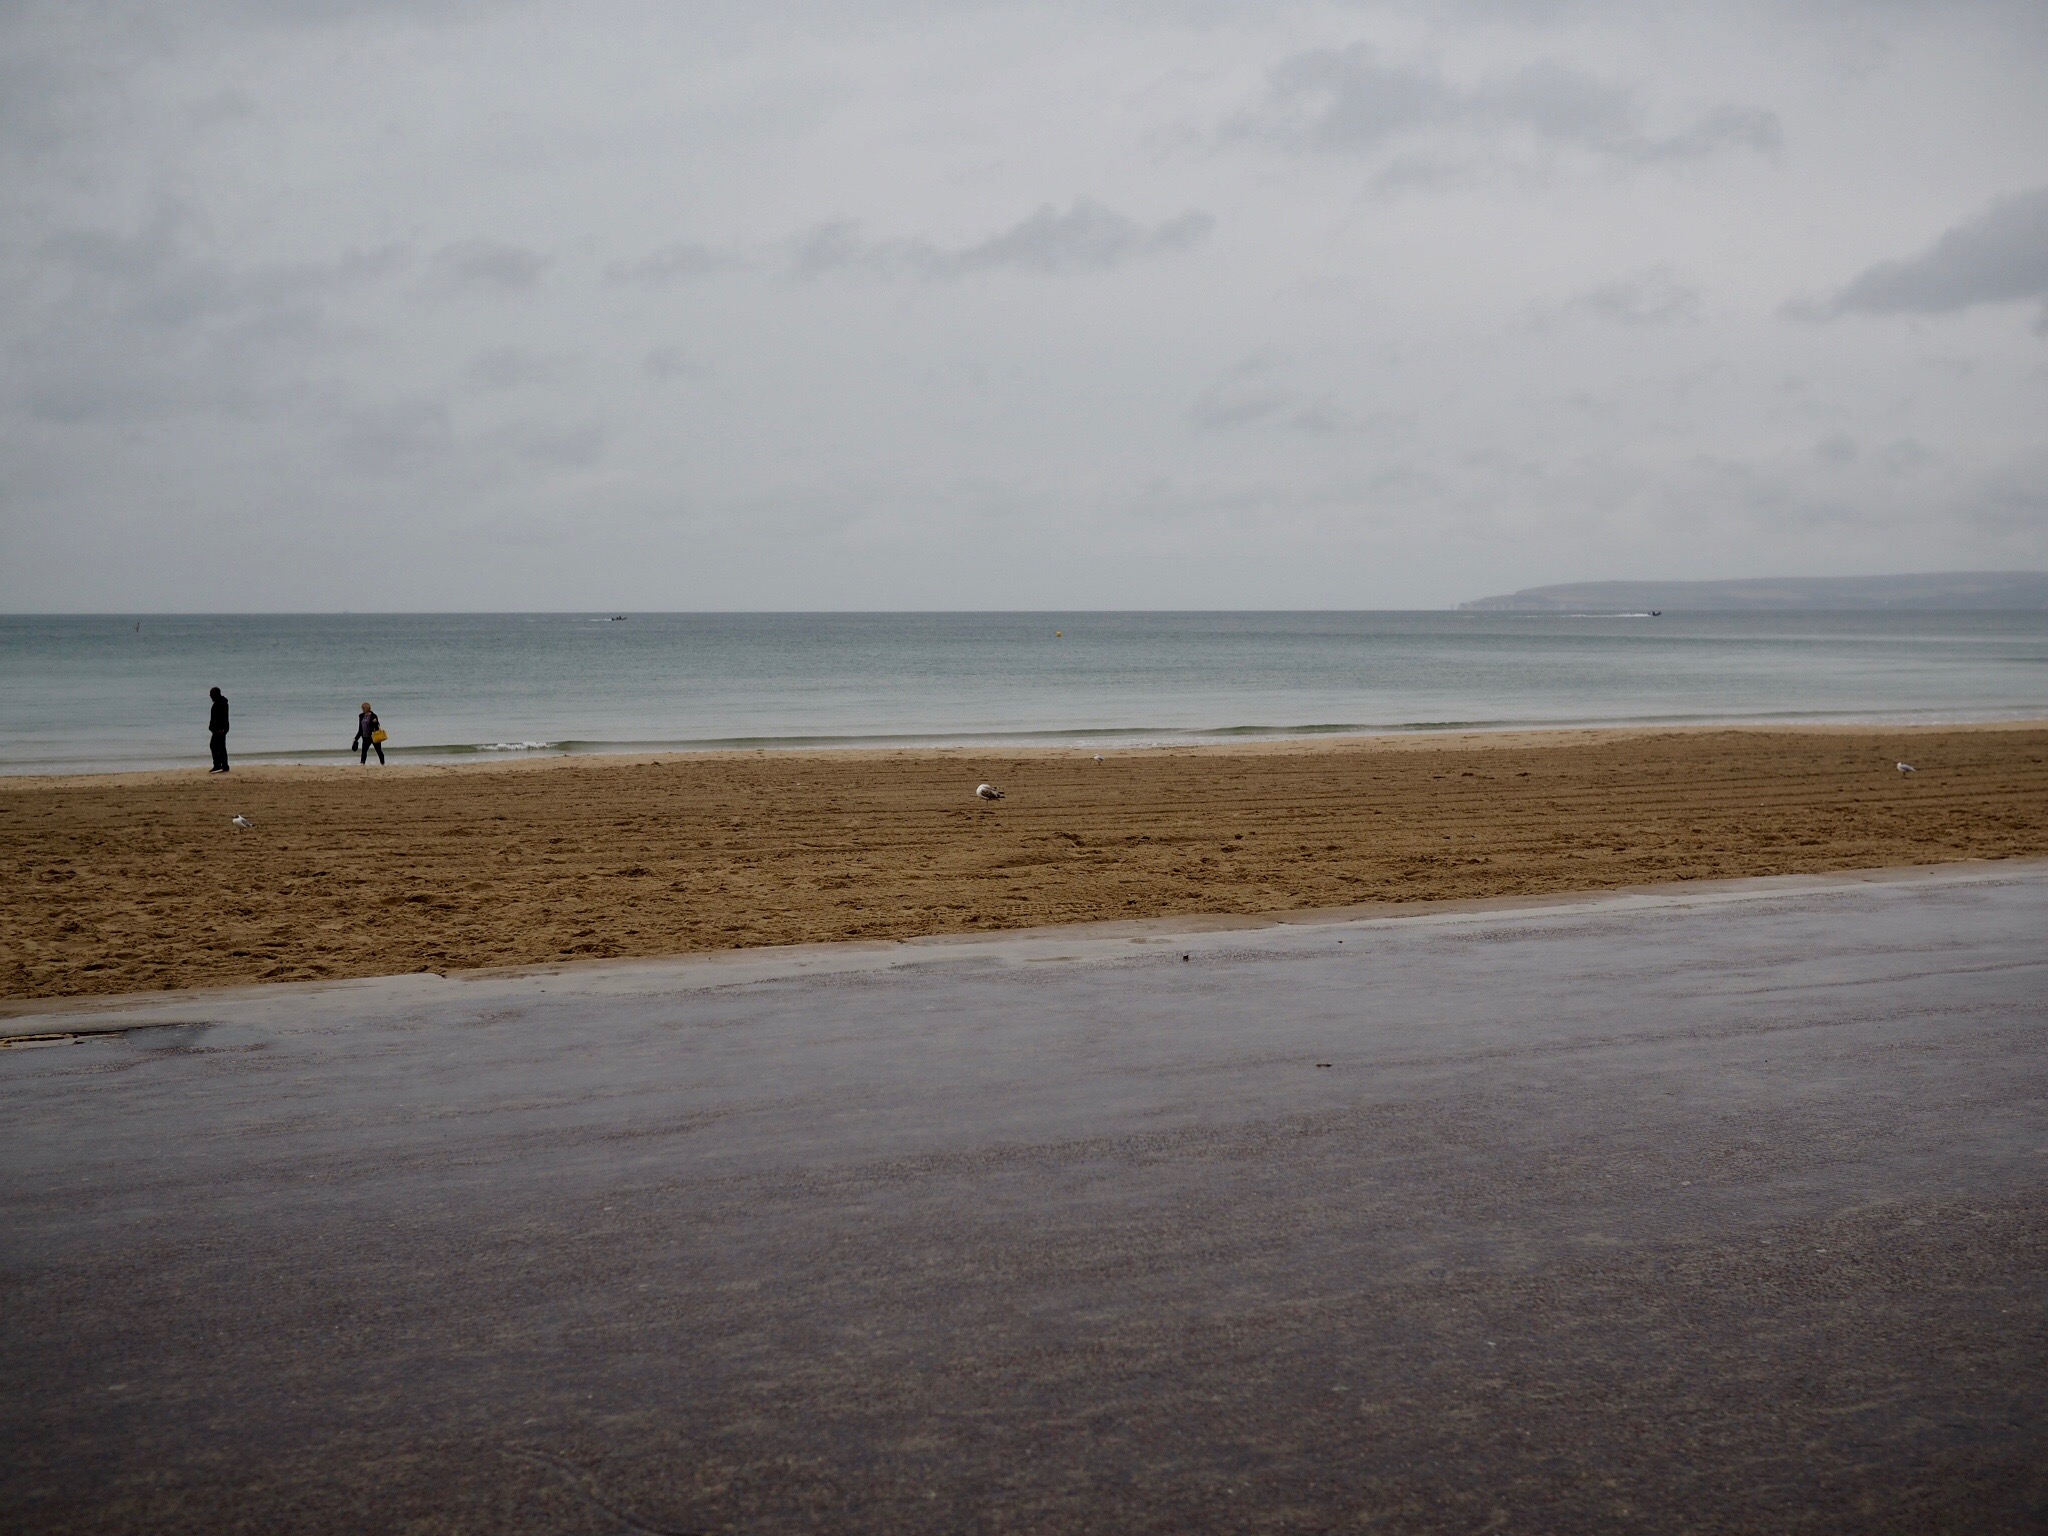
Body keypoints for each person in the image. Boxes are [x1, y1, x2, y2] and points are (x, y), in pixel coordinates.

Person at [207, 687, 230, 773]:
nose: (210, 696)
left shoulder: (221, 703)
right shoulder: (219, 702)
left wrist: (222, 728)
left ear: (215, 694)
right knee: (220, 746)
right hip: (219, 728)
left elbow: (223, 717)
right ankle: (224, 766)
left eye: (211, 694)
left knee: (214, 745)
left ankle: (218, 765)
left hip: (220, 729)